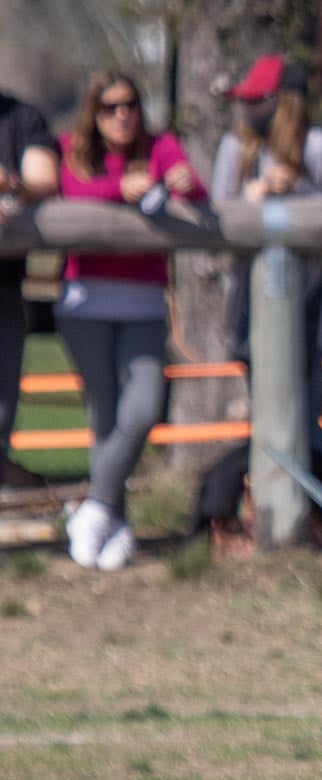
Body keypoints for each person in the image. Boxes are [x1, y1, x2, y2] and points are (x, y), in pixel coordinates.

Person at [56, 71, 207, 570]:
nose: (123, 114)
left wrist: (187, 183)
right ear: (94, 114)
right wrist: (119, 187)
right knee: (105, 417)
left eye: (131, 104)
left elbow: (196, 192)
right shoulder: (72, 150)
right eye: (111, 106)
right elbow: (72, 192)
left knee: (142, 410)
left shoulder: (161, 147)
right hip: (86, 302)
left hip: (144, 303)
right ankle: (117, 526)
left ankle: (94, 509)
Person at [209, 55, 322, 507]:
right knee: (271, 409)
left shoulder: (321, 148)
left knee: (306, 409)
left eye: (259, 100)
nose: (249, 110)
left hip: (310, 299)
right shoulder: (236, 150)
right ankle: (315, 503)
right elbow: (217, 219)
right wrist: (252, 199)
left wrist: (302, 196)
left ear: (284, 102)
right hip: (251, 303)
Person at [0, 88, 59, 486]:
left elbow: (44, 179)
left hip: (4, 282)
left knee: (1, 405)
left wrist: (11, 185)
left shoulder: (20, 117)